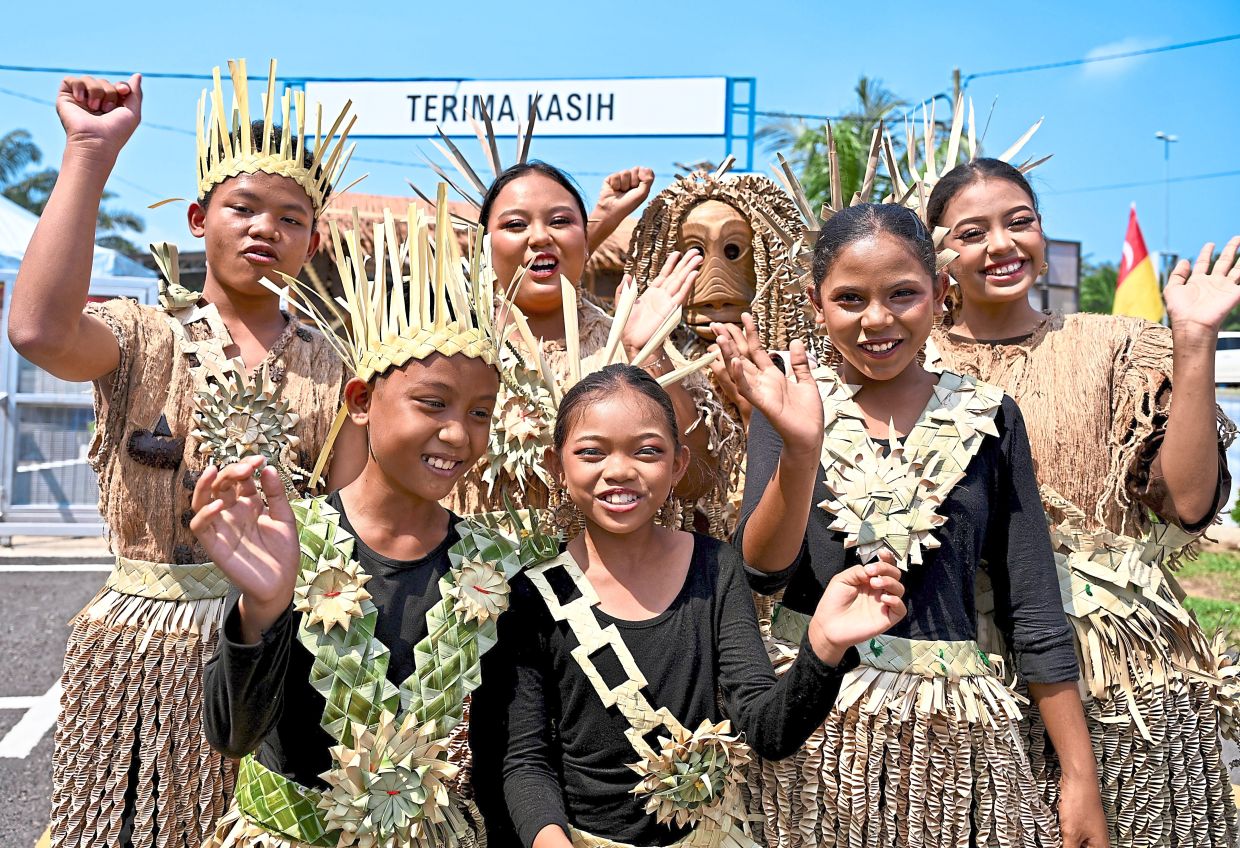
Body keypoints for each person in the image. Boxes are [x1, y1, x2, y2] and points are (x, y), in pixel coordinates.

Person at [8, 60, 364, 848]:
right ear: (200, 219)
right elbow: (38, 331)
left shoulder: (338, 365)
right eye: (243, 207)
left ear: (312, 242)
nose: (265, 228)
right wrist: (90, 154)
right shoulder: (144, 335)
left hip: (280, 644)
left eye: (290, 218)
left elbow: (355, 516)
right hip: (140, 648)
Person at [722, 203, 1108, 847]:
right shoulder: (790, 403)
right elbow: (763, 571)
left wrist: (1079, 777)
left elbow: (1033, 604)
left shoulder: (991, 419)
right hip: (809, 729)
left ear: (939, 293)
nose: (876, 319)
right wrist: (799, 447)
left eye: (903, 293)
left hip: (953, 749)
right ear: (818, 307)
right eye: (849, 299)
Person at [195, 194, 548, 848]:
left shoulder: (495, 565)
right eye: (432, 403)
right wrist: (261, 610)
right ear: (360, 400)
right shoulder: (287, 541)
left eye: (479, 412)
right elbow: (232, 735)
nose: (458, 434)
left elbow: (510, 753)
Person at [925, 157, 1240, 847]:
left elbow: (1187, 502)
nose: (1002, 245)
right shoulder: (904, 363)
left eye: (1020, 222)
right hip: (955, 688)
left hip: (1120, 681)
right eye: (971, 232)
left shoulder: (1118, 346)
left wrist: (1194, 341)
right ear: (937, 253)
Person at [476, 363, 907, 848]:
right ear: (559, 466)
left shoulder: (716, 571)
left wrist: (823, 647)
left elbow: (767, 730)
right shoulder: (532, 598)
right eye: (592, 452)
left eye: (647, 451)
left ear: (679, 464)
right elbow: (523, 757)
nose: (619, 470)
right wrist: (548, 838)